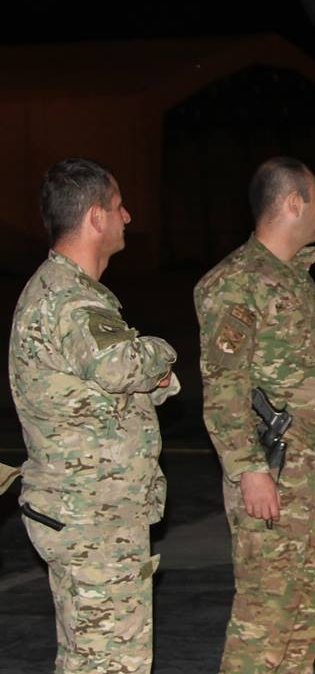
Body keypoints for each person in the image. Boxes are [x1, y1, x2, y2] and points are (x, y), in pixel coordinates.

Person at [10, 157, 179, 673]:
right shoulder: (70, 299)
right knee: (110, 662)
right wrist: (161, 352)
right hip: (93, 519)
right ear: (95, 217)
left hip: (89, 513)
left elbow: (102, 387)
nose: (127, 217)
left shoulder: (65, 292)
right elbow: (120, 365)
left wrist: (148, 381)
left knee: (92, 659)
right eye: (118, 206)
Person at [194, 156, 315, 673]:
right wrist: (249, 470)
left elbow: (309, 374)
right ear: (292, 203)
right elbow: (224, 386)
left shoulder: (295, 277)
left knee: (310, 605)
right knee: (265, 616)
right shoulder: (235, 283)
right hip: (274, 472)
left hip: (312, 471)